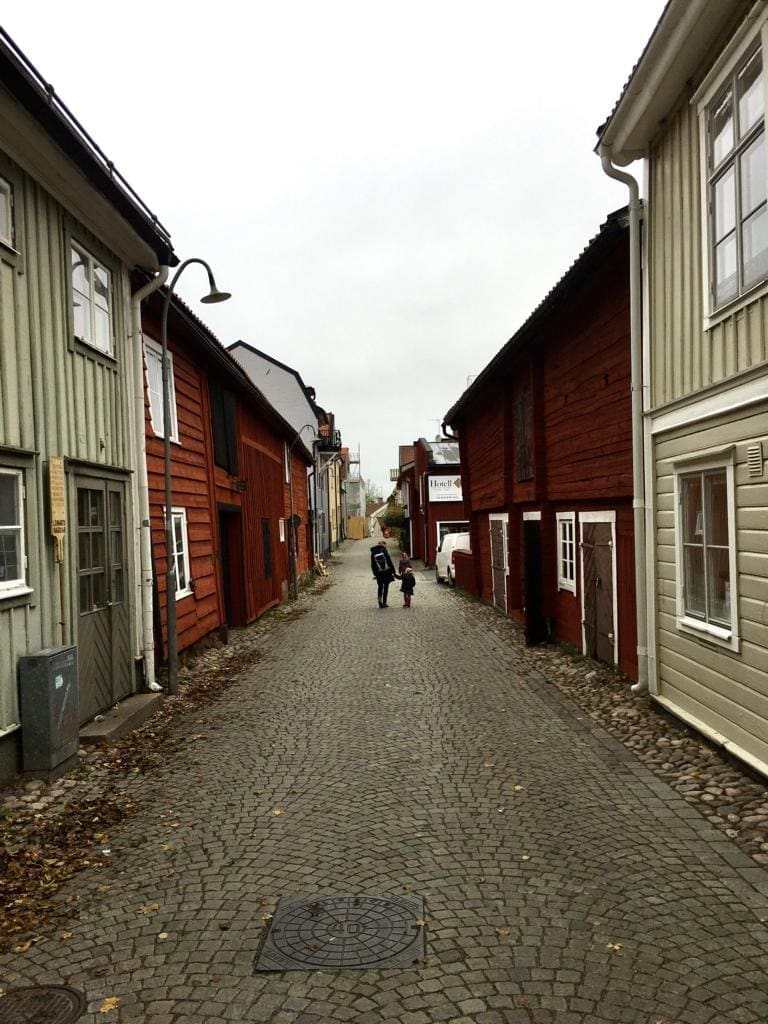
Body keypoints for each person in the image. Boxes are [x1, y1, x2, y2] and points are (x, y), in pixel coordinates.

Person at [371, 538, 396, 608]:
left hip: (379, 573)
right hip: (387, 572)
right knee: (386, 587)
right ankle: (384, 602)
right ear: (384, 545)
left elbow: (373, 565)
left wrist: (375, 573)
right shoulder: (384, 551)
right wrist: (393, 572)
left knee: (380, 587)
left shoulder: (373, 552)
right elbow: (389, 562)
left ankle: (379, 600)